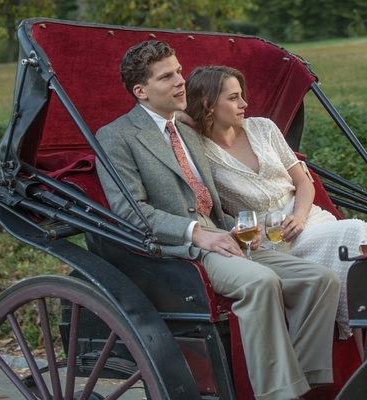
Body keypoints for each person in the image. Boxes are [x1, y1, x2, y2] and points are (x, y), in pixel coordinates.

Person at [95, 40, 341, 400]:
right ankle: (280, 393)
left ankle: (302, 381)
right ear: (141, 91)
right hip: (180, 247)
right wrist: (197, 234)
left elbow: (209, 196)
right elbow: (131, 211)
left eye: (179, 71)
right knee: (260, 282)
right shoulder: (116, 137)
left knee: (320, 280)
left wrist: (236, 227)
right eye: (166, 77)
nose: (180, 81)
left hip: (223, 235)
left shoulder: (187, 132)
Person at [183, 65, 367, 351]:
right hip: (265, 236)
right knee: (354, 233)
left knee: (355, 234)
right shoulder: (199, 151)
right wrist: (187, 114)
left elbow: (304, 182)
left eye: (241, 95)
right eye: (233, 98)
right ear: (208, 103)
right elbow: (170, 121)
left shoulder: (264, 128)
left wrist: (300, 217)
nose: (244, 104)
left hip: (305, 217)